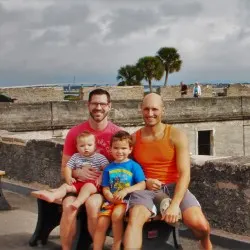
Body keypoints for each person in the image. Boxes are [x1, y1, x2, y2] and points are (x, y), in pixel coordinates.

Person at [123, 93, 212, 250]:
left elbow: (184, 173)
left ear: (163, 110)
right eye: (146, 109)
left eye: (154, 109)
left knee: (201, 226)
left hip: (174, 187)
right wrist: (144, 182)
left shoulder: (176, 135)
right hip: (147, 189)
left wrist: (175, 204)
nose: (150, 114)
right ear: (141, 110)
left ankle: (204, 244)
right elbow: (127, 168)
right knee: (135, 219)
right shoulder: (134, 139)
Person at [60, 88, 121, 250]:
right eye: (94, 103)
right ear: (88, 105)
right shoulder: (75, 133)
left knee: (92, 204)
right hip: (78, 184)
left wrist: (104, 177)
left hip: (103, 188)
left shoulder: (117, 134)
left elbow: (124, 168)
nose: (98, 108)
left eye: (102, 104)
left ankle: (97, 246)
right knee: (68, 206)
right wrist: (76, 172)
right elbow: (64, 168)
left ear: (109, 106)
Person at [93, 131, 146, 250]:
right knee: (101, 223)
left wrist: (126, 191)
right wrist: (109, 196)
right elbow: (105, 187)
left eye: (123, 148)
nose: (119, 151)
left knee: (117, 216)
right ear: (110, 149)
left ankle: (116, 246)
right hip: (110, 200)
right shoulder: (108, 168)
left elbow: (142, 184)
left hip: (125, 201)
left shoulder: (133, 166)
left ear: (130, 149)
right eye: (116, 148)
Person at [32, 131, 109, 210]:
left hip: (93, 185)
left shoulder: (99, 157)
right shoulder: (76, 156)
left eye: (89, 145)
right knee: (66, 186)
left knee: (87, 187)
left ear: (95, 146)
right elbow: (68, 167)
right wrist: (69, 178)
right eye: (82, 146)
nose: (86, 148)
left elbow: (107, 169)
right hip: (79, 183)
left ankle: (78, 202)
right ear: (77, 147)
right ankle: (53, 195)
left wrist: (101, 177)